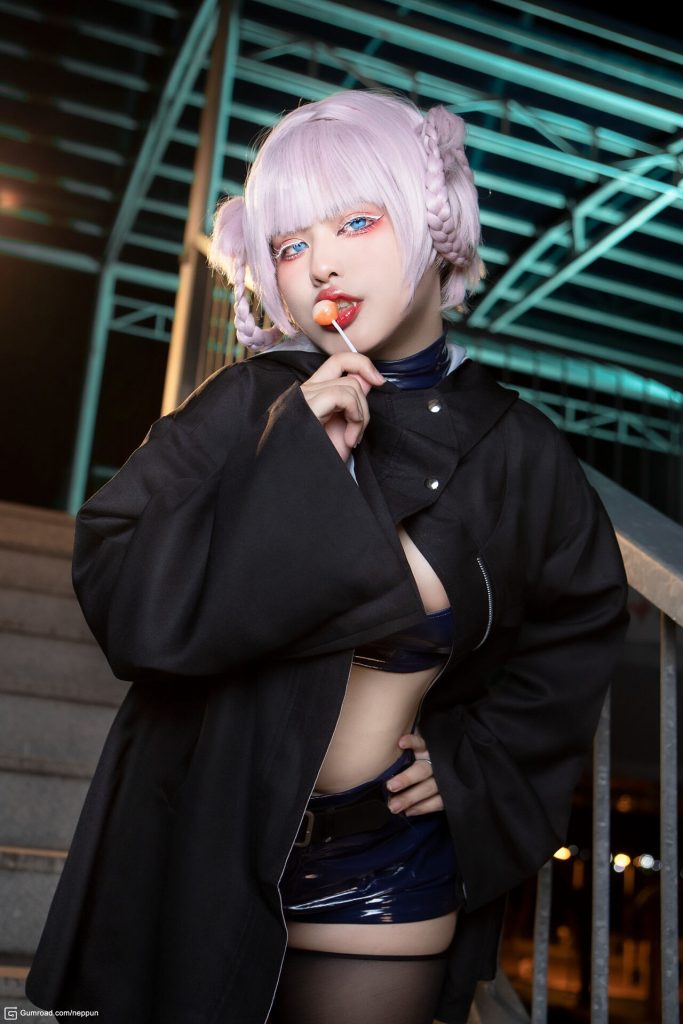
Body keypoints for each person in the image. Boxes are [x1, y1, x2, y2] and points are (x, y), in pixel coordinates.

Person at [26, 90, 628, 1024]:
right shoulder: (244, 405)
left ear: (433, 222)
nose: (321, 265)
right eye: (289, 245)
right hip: (200, 837)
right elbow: (123, 593)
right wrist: (292, 460)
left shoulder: (517, 451)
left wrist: (474, 758)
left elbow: (577, 626)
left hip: (389, 863)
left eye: (355, 222)